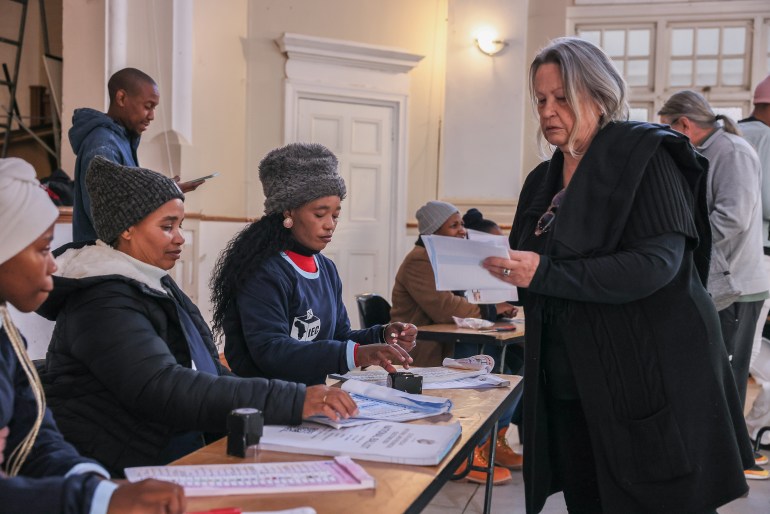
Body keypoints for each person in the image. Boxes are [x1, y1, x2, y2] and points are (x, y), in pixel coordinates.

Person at [483, 37, 754, 513]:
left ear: (601, 96)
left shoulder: (647, 157)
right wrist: (497, 270)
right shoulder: (541, 181)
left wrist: (542, 271)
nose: (549, 110)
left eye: (563, 97)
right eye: (542, 99)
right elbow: (537, 270)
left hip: (649, 377)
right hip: (573, 383)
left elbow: (655, 265)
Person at [37, 156, 358, 477]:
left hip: (166, 443)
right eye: (167, 227)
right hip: (126, 465)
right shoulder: (102, 301)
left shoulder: (149, 281)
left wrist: (288, 403)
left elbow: (206, 369)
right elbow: (165, 387)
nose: (180, 238)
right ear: (127, 229)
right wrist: (293, 400)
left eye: (180, 225)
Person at [0, 157, 186, 513]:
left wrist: (96, 487)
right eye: (42, 249)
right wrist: (96, 499)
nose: (54, 263)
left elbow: (34, 435)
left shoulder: (7, 335)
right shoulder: (103, 298)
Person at [211, 143, 415, 386]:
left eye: (335, 215)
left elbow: (338, 336)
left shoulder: (326, 268)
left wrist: (381, 336)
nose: (330, 224)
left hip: (313, 397)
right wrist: (357, 354)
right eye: (320, 214)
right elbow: (271, 351)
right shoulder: (264, 271)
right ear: (288, 213)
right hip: (268, 399)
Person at [390, 201, 520, 485]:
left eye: (461, 224)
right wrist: (490, 309)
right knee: (486, 367)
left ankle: (492, 442)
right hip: (424, 346)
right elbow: (445, 307)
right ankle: (467, 453)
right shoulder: (419, 259)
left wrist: (495, 302)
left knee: (515, 366)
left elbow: (466, 300)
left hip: (451, 338)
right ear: (432, 231)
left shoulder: (447, 258)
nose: (463, 231)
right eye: (455, 225)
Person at [659, 90, 769, 414]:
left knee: (726, 372)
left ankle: (732, 456)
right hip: (713, 278)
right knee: (707, 369)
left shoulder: (732, 151)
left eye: (667, 130)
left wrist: (684, 245)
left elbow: (732, 217)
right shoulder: (705, 150)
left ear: (684, 124)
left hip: (737, 285)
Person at [69, 67, 202, 244]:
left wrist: (166, 191)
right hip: (102, 258)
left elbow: (125, 200)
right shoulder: (103, 145)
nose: (152, 116)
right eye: (148, 107)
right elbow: (109, 216)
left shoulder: (121, 139)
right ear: (121, 98)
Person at [739, 75, 770, 456]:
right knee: (741, 351)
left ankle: (753, 434)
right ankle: (742, 441)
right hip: (758, 257)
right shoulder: (761, 137)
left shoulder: (734, 135)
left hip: (739, 259)